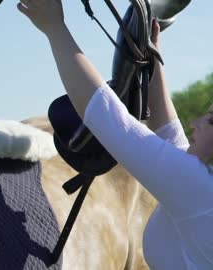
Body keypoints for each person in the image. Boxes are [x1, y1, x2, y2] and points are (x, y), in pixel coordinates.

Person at [18, 0, 213, 269]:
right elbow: (171, 137)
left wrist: (55, 28)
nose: (197, 123)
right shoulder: (204, 188)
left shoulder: (201, 191)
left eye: (211, 121)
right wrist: (152, 53)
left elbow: (109, 120)